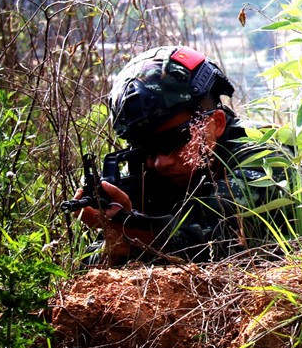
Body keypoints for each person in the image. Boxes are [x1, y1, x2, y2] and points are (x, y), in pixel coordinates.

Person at [71, 45, 290, 266]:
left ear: (217, 123)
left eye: (173, 141)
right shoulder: (148, 173)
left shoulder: (265, 157)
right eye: (145, 147)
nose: (160, 161)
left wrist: (128, 225)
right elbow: (88, 268)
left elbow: (212, 241)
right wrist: (115, 240)